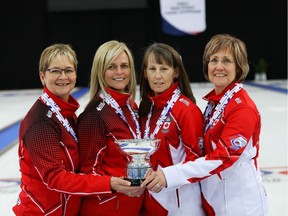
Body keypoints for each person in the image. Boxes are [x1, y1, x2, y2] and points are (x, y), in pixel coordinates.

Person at [141, 34, 269, 216]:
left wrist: (169, 175)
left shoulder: (242, 108)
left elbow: (223, 157)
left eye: (226, 61)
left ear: (239, 67)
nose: (218, 67)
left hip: (241, 205)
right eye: (213, 60)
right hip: (216, 201)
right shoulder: (215, 103)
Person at [12, 43, 134, 215]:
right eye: (55, 71)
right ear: (42, 76)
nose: (63, 76)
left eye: (68, 70)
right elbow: (55, 178)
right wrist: (108, 183)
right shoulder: (40, 123)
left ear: (76, 74)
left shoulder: (66, 113)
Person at [76, 40, 144, 216]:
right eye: (112, 66)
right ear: (100, 70)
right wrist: (113, 185)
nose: (120, 72)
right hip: (105, 208)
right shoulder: (93, 116)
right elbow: (88, 173)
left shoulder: (130, 106)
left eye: (124, 66)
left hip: (131, 204)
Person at [138, 43, 206, 215]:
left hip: (182, 206)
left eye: (164, 69)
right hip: (150, 203)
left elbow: (199, 161)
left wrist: (168, 177)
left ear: (176, 72)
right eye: (152, 69)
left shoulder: (187, 110)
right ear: (145, 73)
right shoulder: (145, 109)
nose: (157, 76)